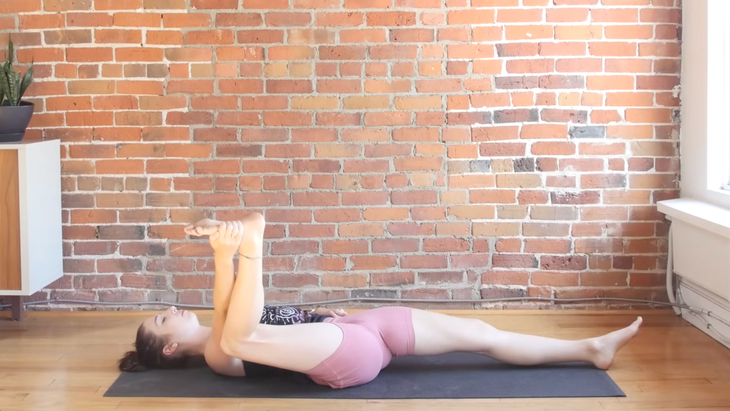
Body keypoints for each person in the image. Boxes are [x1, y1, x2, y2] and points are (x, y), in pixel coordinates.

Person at [119, 213, 642, 389]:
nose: (177, 310)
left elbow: (240, 265)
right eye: (167, 318)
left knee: (483, 335)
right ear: (168, 348)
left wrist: (225, 238)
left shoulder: (223, 323)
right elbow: (237, 321)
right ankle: (254, 249)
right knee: (238, 333)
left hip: (361, 326)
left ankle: (589, 349)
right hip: (346, 358)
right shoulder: (217, 355)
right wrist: (228, 252)